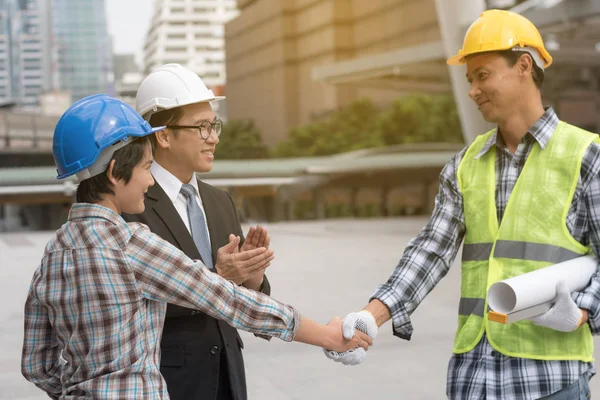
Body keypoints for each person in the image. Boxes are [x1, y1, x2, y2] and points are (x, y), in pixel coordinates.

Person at [21, 94, 372, 400]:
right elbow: (229, 300)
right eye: (145, 168)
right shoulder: (131, 244)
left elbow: (37, 364)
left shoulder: (54, 253)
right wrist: (327, 335)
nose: (148, 179)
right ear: (115, 172)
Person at [326, 9, 600, 399]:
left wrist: (583, 311)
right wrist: (373, 315)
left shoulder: (586, 156)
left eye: (483, 75)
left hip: (549, 379)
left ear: (524, 66)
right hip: (474, 377)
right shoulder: (464, 165)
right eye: (469, 79)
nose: (472, 90)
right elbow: (431, 250)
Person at [121, 63, 273, 400]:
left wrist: (252, 279)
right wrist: (219, 275)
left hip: (228, 380)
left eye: (214, 124)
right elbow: (130, 301)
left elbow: (241, 300)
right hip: (167, 383)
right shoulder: (132, 205)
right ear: (162, 135)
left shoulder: (221, 202)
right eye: (202, 127)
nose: (213, 136)